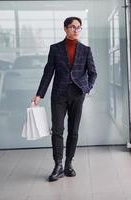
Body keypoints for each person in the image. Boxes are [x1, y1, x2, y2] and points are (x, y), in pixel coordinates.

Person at [31, 16, 97, 182]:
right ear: (65, 29)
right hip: (59, 95)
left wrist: (87, 88)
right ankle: (58, 165)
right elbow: (48, 73)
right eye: (72, 27)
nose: (76, 30)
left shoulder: (86, 50)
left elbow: (93, 73)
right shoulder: (55, 49)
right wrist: (39, 94)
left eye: (78, 27)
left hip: (77, 94)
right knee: (58, 130)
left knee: (74, 131)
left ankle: (68, 164)